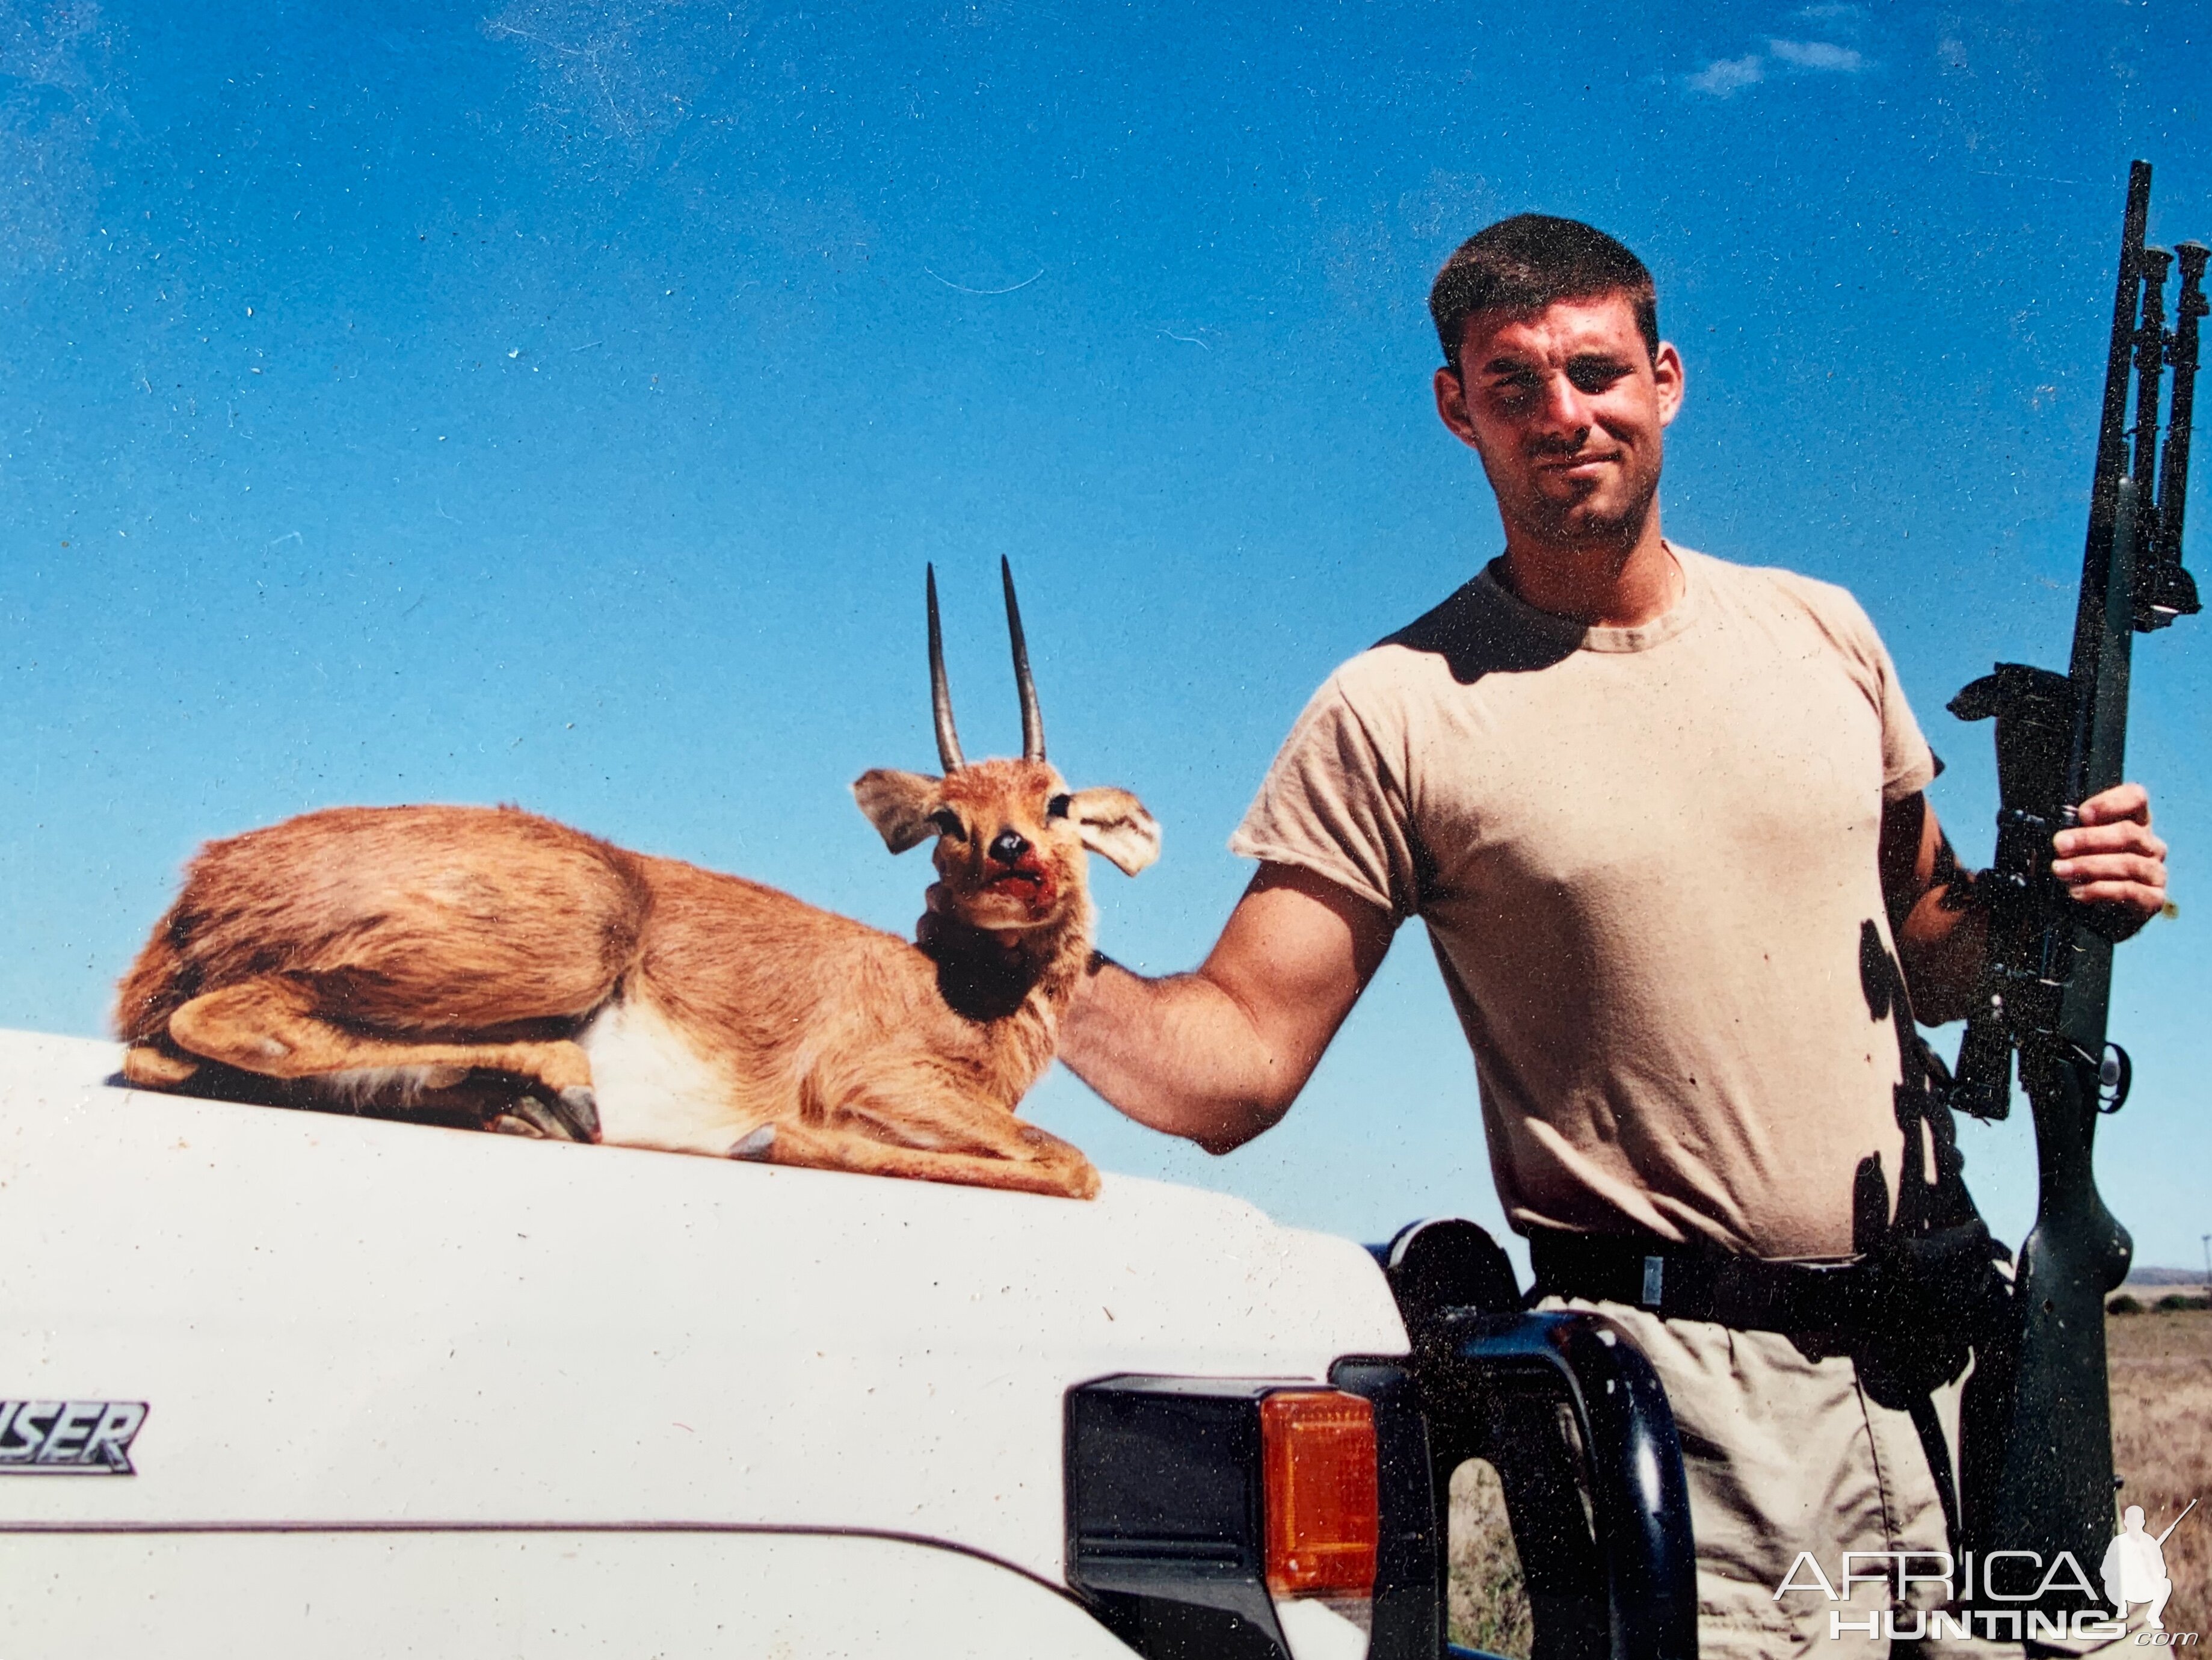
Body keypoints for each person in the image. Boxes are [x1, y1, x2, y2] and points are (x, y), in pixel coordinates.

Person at [1035, 216, 2173, 1655]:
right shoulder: (1395, 709)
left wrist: (2057, 896)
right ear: (1458, 408)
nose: (1562, 414)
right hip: (1695, 1429)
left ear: (1666, 379)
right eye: (1513, 384)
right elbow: (1236, 1065)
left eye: (1595, 371)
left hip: (1966, 1372)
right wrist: (1016, 949)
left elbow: (1935, 952)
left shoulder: (1824, 635)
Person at [2101, 1506, 2174, 1631]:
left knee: (2165, 1585)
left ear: (2143, 1523)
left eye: (2138, 1521)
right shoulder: (2119, 1541)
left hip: (2140, 1590)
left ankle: (2153, 1616)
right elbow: (2105, 1569)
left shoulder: (2148, 1542)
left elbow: (2161, 1570)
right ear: (2126, 1523)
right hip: (2123, 1590)